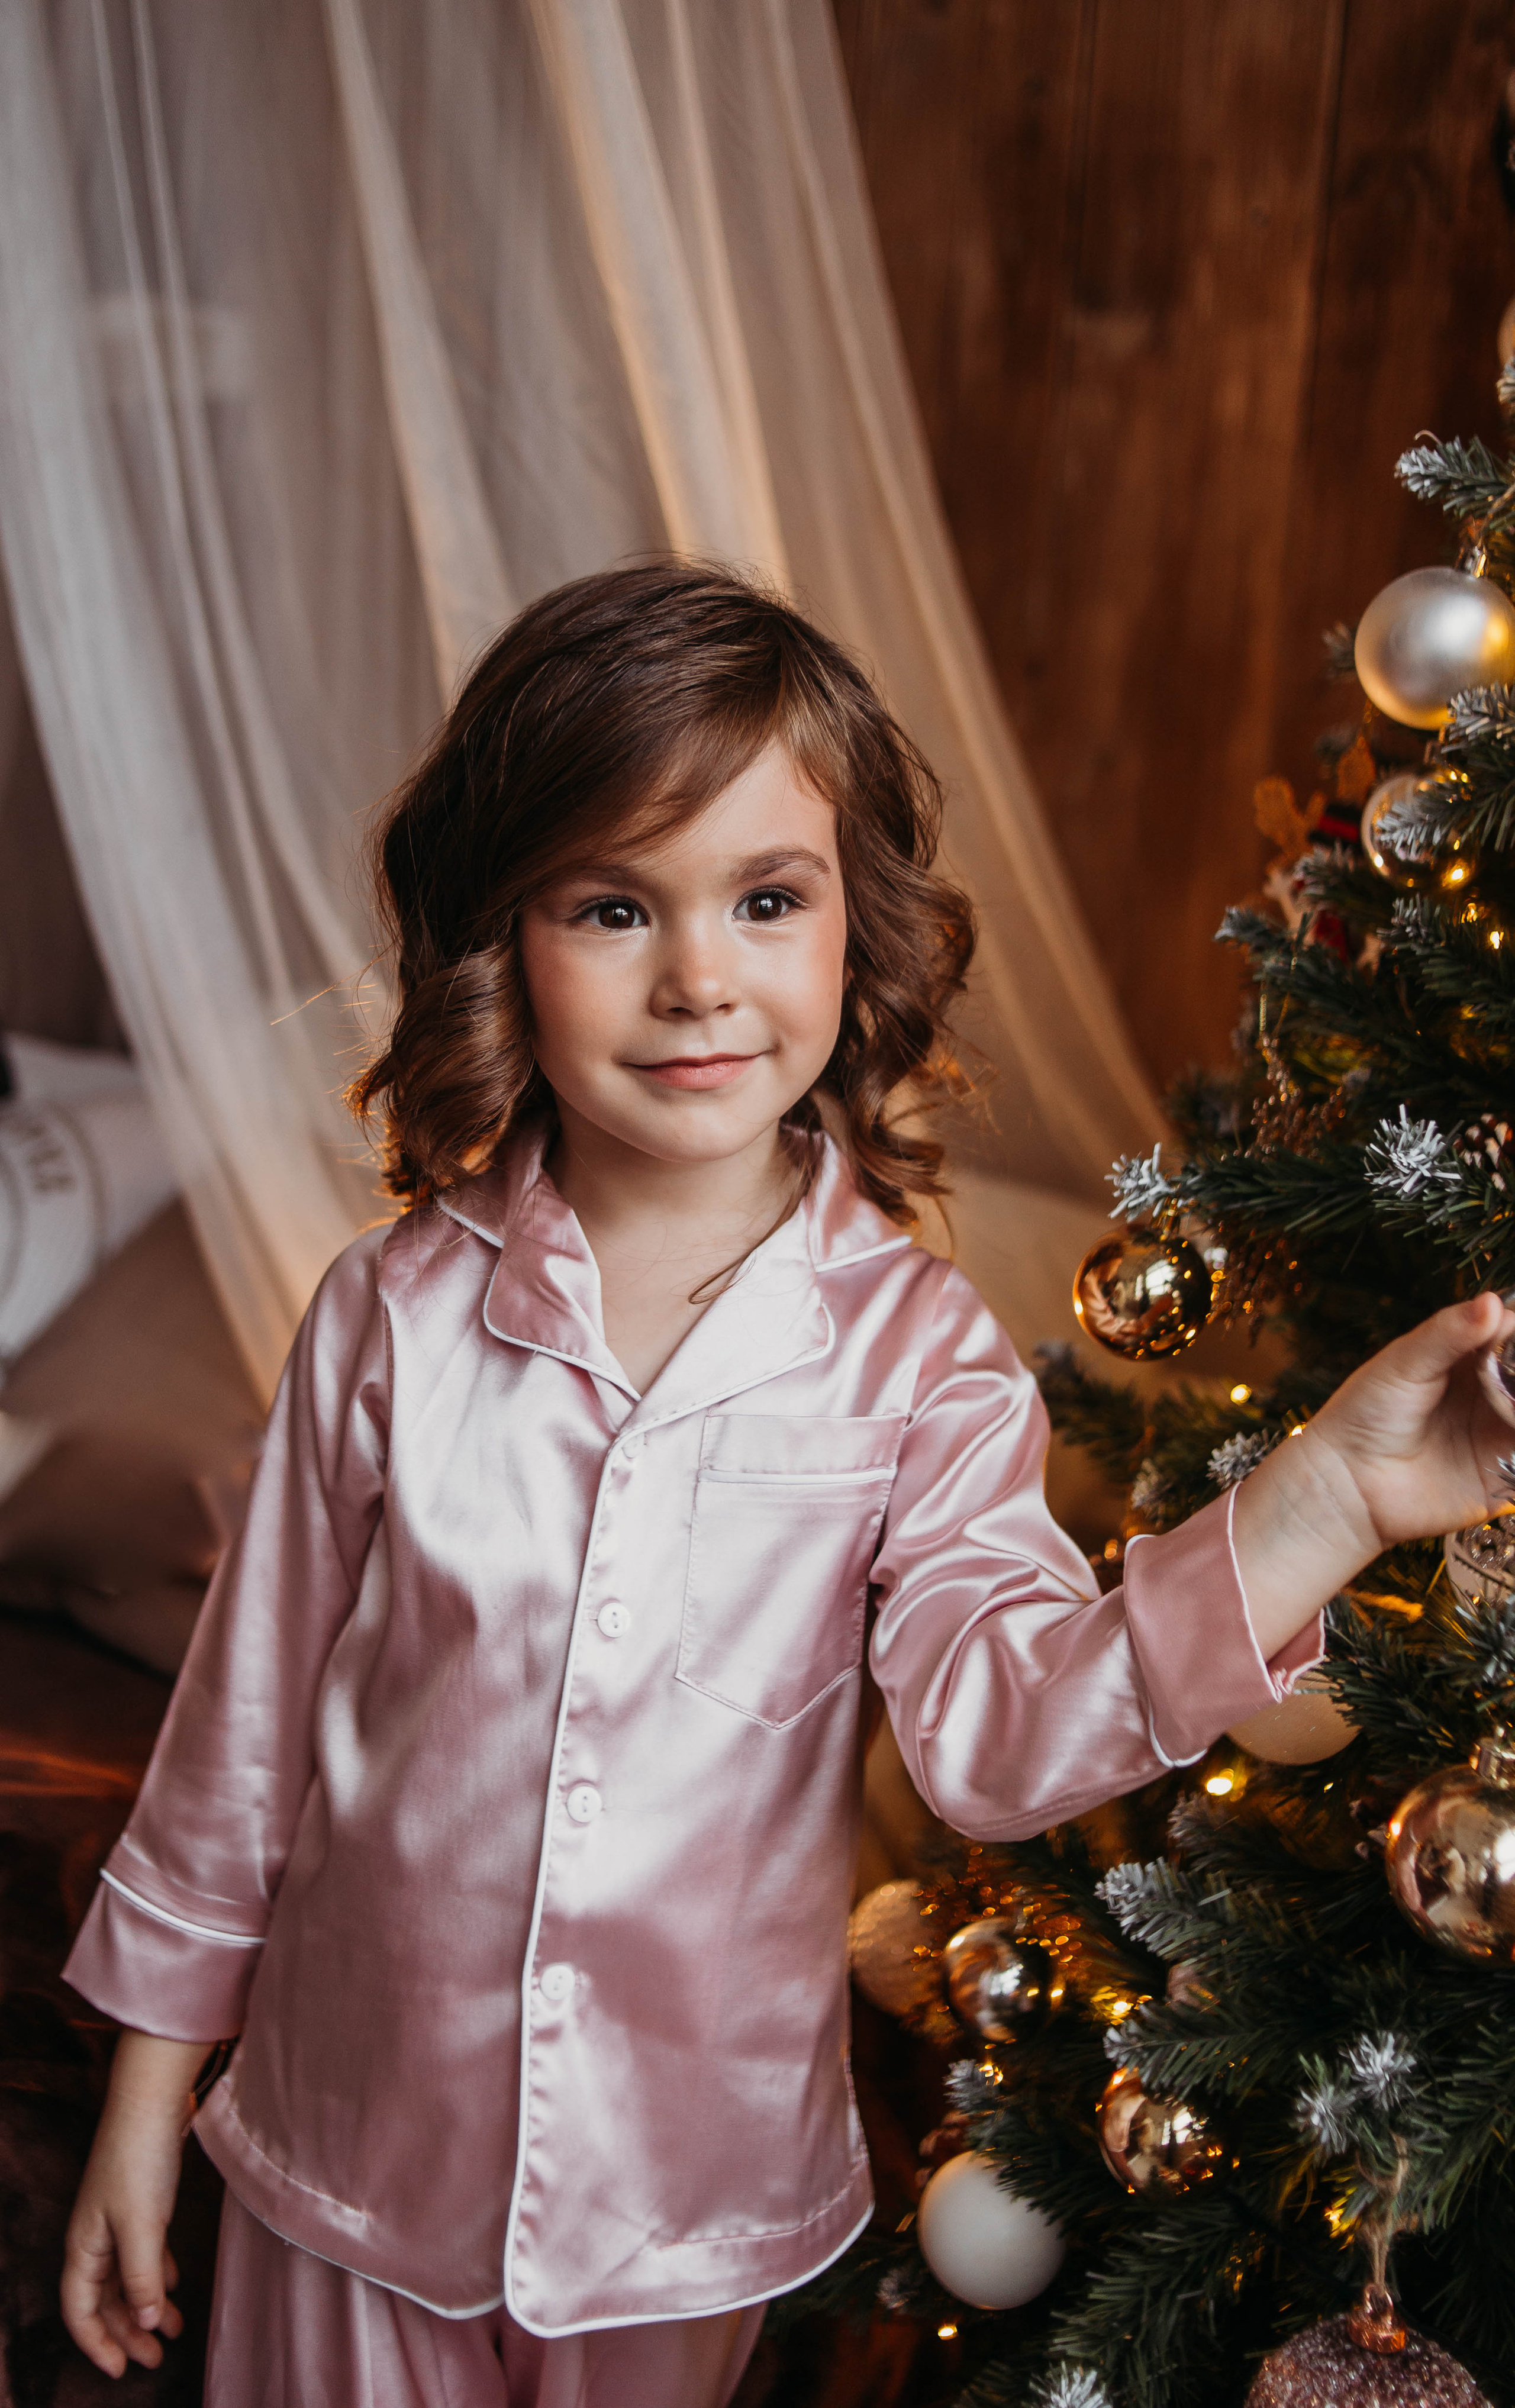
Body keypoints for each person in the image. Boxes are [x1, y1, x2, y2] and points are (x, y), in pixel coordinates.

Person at [57, 565, 1515, 2408]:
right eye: (611, 905)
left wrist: (1338, 1498)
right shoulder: (391, 1318)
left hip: (679, 2216)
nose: (698, 980)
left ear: (856, 929)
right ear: (502, 934)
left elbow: (996, 1742)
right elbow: (240, 1734)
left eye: (766, 899)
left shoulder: (920, 1361)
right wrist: (141, 2095)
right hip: (342, 2172)